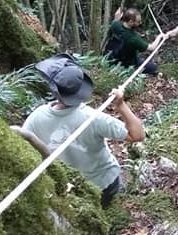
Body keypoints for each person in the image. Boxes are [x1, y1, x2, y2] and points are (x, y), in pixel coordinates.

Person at [22, 53, 145, 207]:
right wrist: (121, 105)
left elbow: (22, 147)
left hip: (71, 190)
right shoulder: (93, 118)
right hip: (104, 184)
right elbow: (138, 135)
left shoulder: (36, 117)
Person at [105, 8, 165, 75]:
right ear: (130, 22)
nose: (140, 23)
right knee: (154, 68)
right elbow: (151, 48)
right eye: (138, 21)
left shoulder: (115, 25)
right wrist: (159, 37)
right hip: (127, 64)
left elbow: (115, 21)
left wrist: (116, 17)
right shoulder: (133, 38)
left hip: (110, 59)